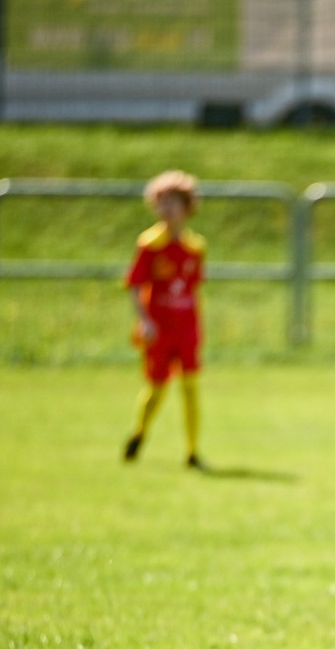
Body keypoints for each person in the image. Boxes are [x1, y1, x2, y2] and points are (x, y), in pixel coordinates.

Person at [122, 170, 208, 468]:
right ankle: (139, 434)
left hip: (186, 328)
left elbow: (193, 288)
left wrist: (195, 327)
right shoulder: (149, 244)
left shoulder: (195, 247)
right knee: (157, 388)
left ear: (187, 207)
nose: (167, 209)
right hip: (159, 329)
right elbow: (134, 285)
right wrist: (144, 321)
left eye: (173, 202)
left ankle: (192, 451)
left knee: (190, 387)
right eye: (162, 202)